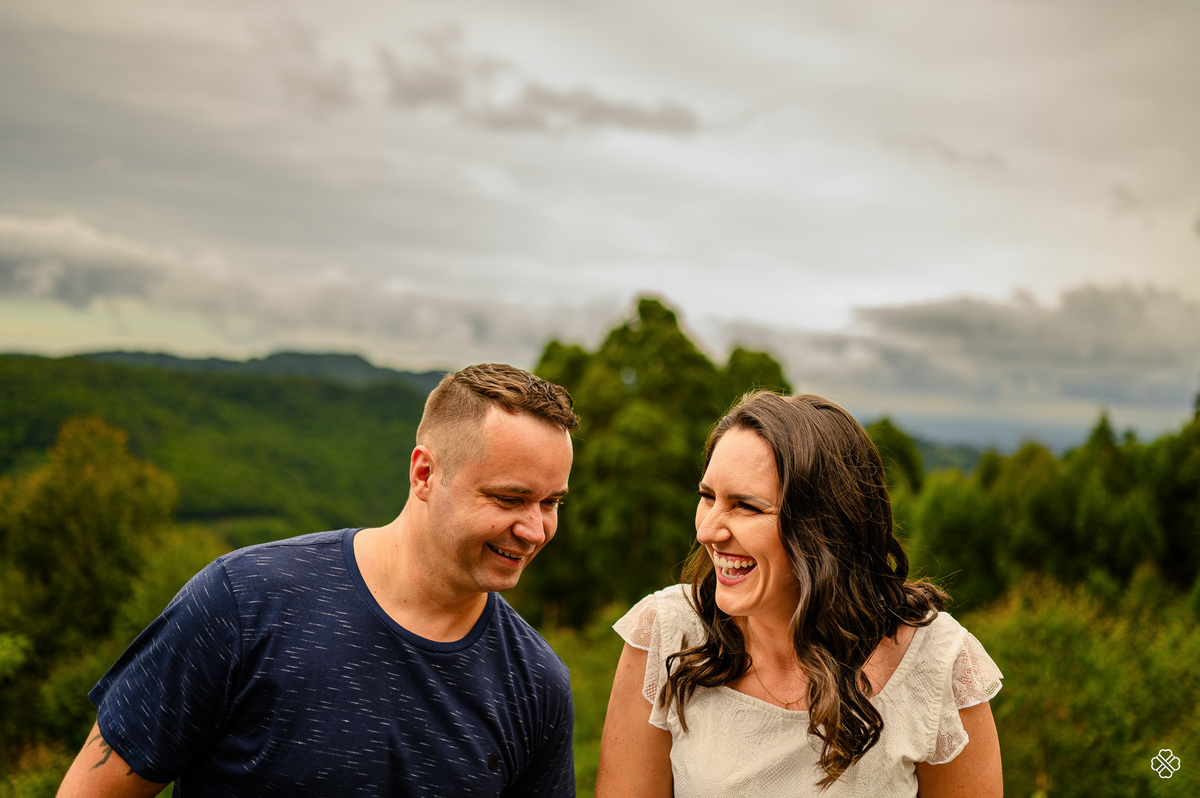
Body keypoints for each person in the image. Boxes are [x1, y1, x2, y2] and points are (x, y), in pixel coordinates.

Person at [58, 363, 580, 798]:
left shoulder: (535, 684)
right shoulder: (245, 600)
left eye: (551, 502)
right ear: (425, 475)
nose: (534, 529)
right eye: (509, 498)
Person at [596, 391, 1003, 797]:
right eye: (708, 497)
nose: (707, 531)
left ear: (824, 528)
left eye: (746, 507)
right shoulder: (667, 633)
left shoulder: (936, 663)